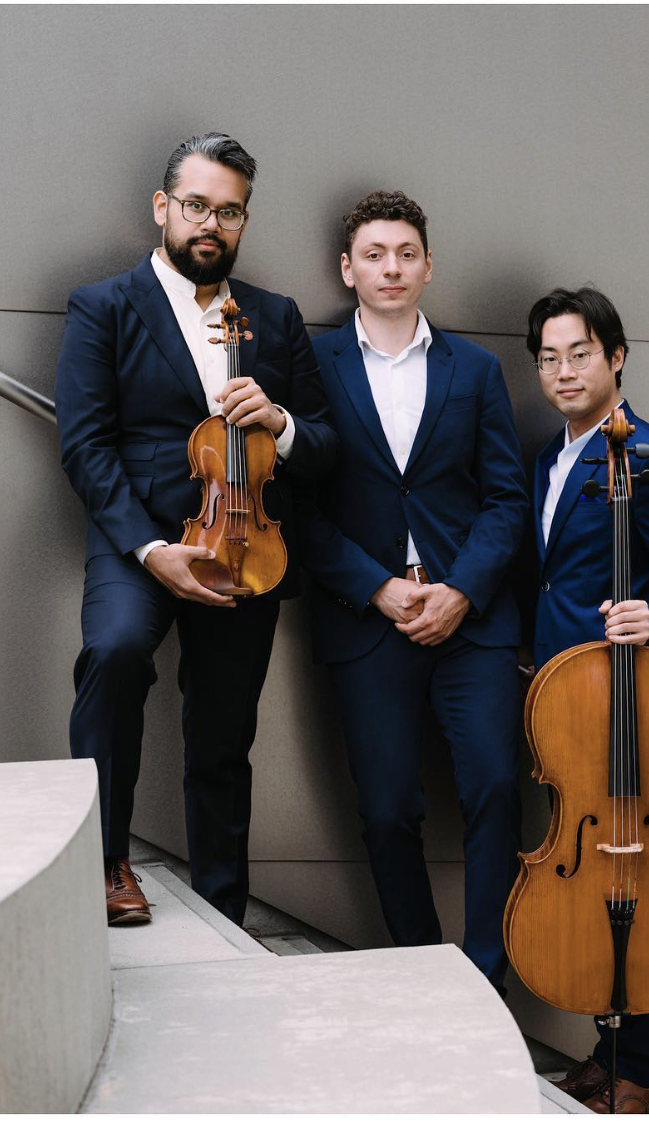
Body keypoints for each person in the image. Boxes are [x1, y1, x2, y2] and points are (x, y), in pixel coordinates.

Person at [55, 133, 336, 927]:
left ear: (244, 220)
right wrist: (149, 549)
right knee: (112, 656)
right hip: (138, 542)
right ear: (163, 208)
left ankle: (223, 902)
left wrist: (280, 423)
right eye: (197, 206)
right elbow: (84, 445)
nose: (211, 223)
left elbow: (325, 447)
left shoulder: (274, 318)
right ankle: (108, 862)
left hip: (245, 545)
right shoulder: (103, 306)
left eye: (230, 211)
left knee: (223, 733)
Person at [296, 190, 528, 994]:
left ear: (428, 265)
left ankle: (487, 977)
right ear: (347, 269)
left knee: (497, 787)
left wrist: (461, 589)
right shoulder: (311, 366)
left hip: (472, 621)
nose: (390, 268)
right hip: (369, 622)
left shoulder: (476, 367)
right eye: (373, 254)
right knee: (388, 809)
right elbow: (296, 507)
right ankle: (426, 978)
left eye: (404, 253)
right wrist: (377, 587)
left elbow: (506, 499)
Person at [522, 286, 649, 1113]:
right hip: (557, 714)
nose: (564, 371)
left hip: (620, 709)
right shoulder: (548, 457)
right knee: (587, 880)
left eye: (580, 354)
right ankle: (609, 1056)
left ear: (616, 356)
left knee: (638, 884)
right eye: (548, 358)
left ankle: (638, 1075)